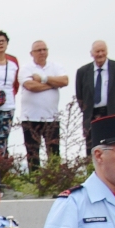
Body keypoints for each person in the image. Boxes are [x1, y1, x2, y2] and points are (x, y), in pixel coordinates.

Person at [18, 41, 69, 171]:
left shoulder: (55, 67)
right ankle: (34, 181)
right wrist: (53, 84)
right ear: (32, 53)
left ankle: (54, 179)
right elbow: (30, 86)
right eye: (38, 50)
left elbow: (64, 81)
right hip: (30, 118)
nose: (42, 52)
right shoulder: (26, 68)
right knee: (32, 153)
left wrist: (44, 79)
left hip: (51, 118)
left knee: (54, 152)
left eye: (44, 49)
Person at [75, 42, 115, 150]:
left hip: (114, 114)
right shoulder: (82, 72)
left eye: (103, 51)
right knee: (94, 148)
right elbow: (80, 95)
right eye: (97, 51)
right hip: (92, 115)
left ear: (107, 51)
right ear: (91, 53)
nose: (100, 54)